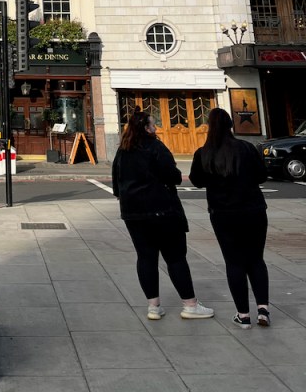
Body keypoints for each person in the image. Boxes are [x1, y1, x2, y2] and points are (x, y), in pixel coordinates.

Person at [112, 109, 214, 321]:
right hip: (163, 211)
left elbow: (116, 185)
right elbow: (173, 176)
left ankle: (153, 307)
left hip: (133, 214)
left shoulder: (122, 151)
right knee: (175, 257)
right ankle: (190, 305)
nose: (156, 127)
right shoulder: (155, 147)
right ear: (147, 128)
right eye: (153, 124)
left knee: (145, 258)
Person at [190, 107, 270, 329]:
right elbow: (262, 176)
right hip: (253, 209)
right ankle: (263, 309)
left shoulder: (203, 153)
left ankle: (243, 315)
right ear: (230, 126)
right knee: (256, 259)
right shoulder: (246, 148)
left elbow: (196, 181)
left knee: (234, 262)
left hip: (223, 213)